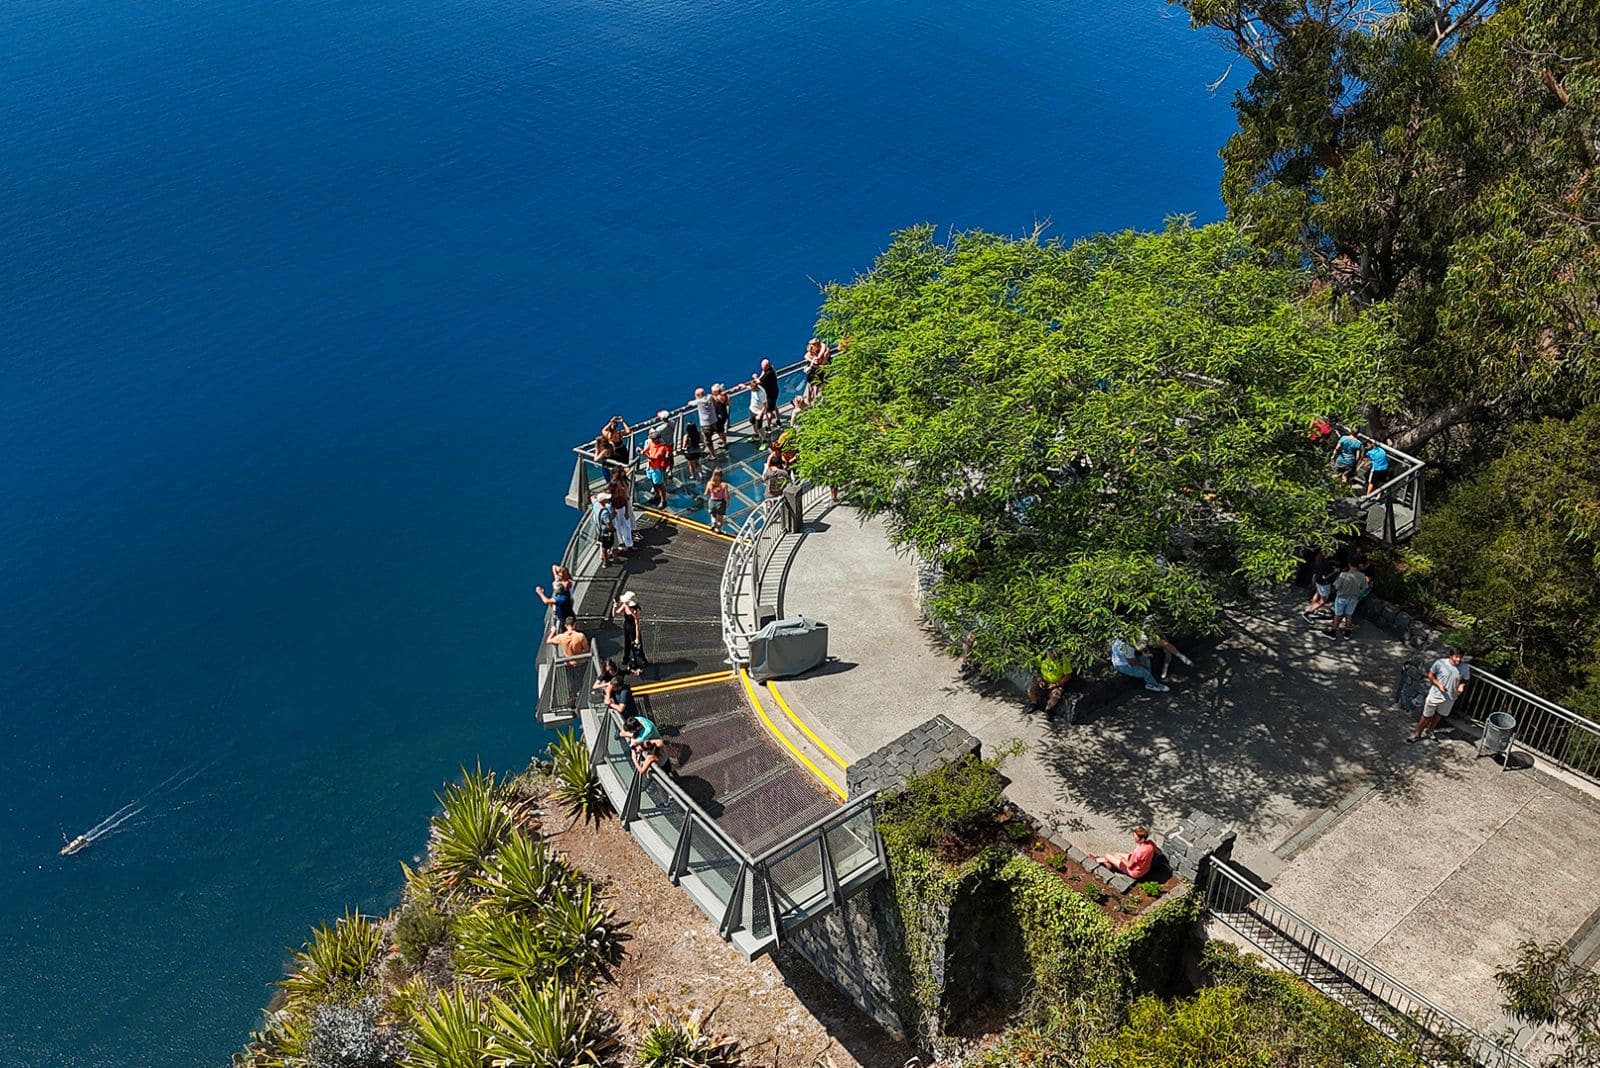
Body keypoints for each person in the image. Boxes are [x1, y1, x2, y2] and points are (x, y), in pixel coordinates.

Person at [1411, 648, 1470, 742]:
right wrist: (1439, 685)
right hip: (1436, 694)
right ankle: (1417, 734)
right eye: (1456, 657)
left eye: (1460, 657)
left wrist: (1461, 686)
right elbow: (1430, 674)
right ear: (1450, 656)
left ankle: (1430, 731)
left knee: (1439, 715)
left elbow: (1465, 680)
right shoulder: (1440, 663)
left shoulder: (1465, 668)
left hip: (1450, 697)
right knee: (1426, 716)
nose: (1458, 660)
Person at [1093, 828, 1158, 880]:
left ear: (1142, 839)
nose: (1134, 838)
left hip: (1134, 872)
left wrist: (1122, 859)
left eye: (1135, 837)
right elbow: (1156, 851)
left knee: (1107, 856)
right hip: (1144, 869)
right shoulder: (1150, 844)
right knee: (1116, 854)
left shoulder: (1137, 852)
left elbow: (1129, 865)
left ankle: (1097, 860)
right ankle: (1108, 864)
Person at [1328, 560, 1370, 639]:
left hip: (1341, 597)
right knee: (1349, 615)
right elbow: (1364, 587)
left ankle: (1333, 632)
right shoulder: (1362, 576)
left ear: (1349, 564)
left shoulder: (1343, 575)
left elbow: (1336, 586)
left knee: (1337, 615)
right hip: (1353, 598)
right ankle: (1347, 632)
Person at [1027, 648, 1074, 715]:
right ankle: (1034, 703)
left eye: (1053, 653)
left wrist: (1056, 684)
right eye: (1049, 653)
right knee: (1030, 689)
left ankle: (1049, 708)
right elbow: (1036, 670)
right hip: (1043, 681)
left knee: (1055, 696)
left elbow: (1068, 676)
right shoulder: (1041, 658)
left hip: (1056, 684)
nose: (1051, 655)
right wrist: (1040, 680)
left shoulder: (1063, 661)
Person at [614, 590, 648, 670]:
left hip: (633, 629)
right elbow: (616, 613)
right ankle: (626, 659)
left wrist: (637, 638)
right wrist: (614, 607)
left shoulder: (635, 610)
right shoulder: (625, 605)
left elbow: (637, 624)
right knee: (627, 644)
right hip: (627, 627)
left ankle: (639, 662)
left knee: (635, 647)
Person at [535, 565, 575, 631]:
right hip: (564, 610)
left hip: (564, 616)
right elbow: (554, 566)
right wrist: (556, 575)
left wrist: (540, 593)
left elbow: (546, 601)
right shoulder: (562, 589)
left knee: (564, 627)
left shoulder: (562, 597)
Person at [643, 426, 673, 508]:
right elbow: (647, 449)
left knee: (660, 484)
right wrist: (643, 451)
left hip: (657, 468)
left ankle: (663, 501)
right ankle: (657, 495)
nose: (651, 440)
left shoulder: (662, 448)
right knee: (653, 482)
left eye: (653, 439)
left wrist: (645, 454)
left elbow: (655, 458)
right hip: (650, 467)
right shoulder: (651, 443)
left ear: (658, 439)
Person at [1304, 553, 1341, 621]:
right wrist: (1334, 572)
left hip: (1318, 581)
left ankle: (1313, 607)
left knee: (1317, 594)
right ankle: (1309, 611)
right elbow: (1324, 577)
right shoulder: (1329, 565)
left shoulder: (1322, 562)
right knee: (1324, 599)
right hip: (1324, 584)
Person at [609, 470, 635, 551]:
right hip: (616, 511)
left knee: (626, 526)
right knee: (617, 527)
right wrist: (613, 512)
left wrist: (626, 512)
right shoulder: (611, 495)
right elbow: (610, 504)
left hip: (622, 509)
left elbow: (626, 501)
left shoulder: (622, 491)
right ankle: (621, 542)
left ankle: (629, 544)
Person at [691, 388, 719, 455]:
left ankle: (712, 454)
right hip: (714, 421)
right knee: (717, 432)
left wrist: (696, 399)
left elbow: (690, 403)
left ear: (698, 395)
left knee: (707, 440)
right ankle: (723, 443)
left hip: (705, 424)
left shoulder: (699, 401)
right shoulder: (709, 397)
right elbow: (715, 402)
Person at [592, 494, 617, 567]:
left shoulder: (595, 504)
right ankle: (606, 562)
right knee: (605, 546)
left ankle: (605, 559)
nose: (607, 500)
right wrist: (613, 529)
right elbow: (608, 525)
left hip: (598, 529)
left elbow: (592, 497)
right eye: (606, 499)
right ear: (603, 501)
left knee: (603, 545)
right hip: (605, 532)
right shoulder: (605, 512)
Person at [704, 468, 731, 533]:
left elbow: (706, 493)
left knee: (713, 515)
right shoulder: (724, 485)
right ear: (721, 475)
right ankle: (718, 530)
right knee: (720, 519)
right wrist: (727, 503)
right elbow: (726, 496)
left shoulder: (709, 483)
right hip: (720, 503)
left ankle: (713, 523)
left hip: (712, 501)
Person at [758, 358, 780, 427]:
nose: (763, 368)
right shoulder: (772, 370)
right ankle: (778, 420)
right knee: (774, 405)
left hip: (770, 395)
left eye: (764, 367)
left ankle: (768, 426)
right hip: (774, 391)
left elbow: (759, 381)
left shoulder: (768, 373)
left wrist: (755, 377)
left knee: (769, 412)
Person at [710, 383, 732, 452]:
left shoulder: (719, 397)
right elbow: (728, 403)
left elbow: (716, 402)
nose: (712, 392)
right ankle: (723, 440)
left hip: (720, 416)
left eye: (713, 391)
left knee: (720, 430)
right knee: (719, 430)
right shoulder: (724, 395)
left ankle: (725, 443)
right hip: (723, 414)